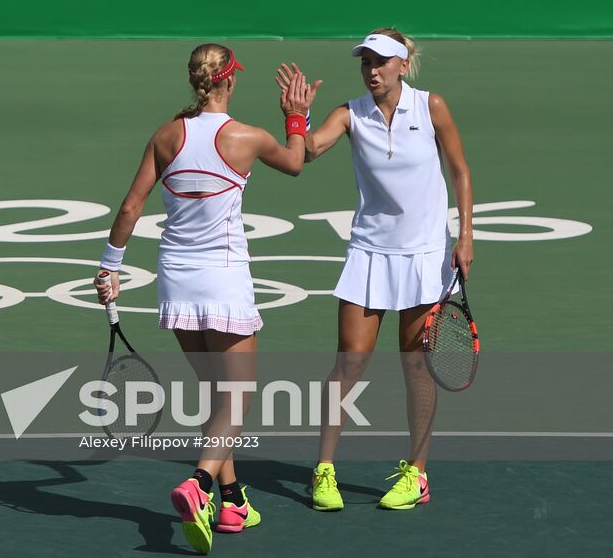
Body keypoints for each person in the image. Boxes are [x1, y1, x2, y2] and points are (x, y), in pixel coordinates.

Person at [96, 43, 315, 555]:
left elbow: (131, 208)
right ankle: (197, 484)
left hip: (175, 281)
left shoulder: (167, 134)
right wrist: (297, 117)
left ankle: (233, 499)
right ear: (230, 81)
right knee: (237, 399)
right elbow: (297, 163)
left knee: (219, 396)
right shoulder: (248, 137)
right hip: (223, 279)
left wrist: (110, 267)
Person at [277, 28, 474, 512]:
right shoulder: (349, 113)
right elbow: (304, 156)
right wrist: (296, 118)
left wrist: (465, 235)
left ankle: (417, 474)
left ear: (403, 64)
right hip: (369, 253)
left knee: (416, 368)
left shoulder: (432, 107)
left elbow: (460, 171)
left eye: (382, 61)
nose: (372, 70)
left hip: (424, 254)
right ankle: (324, 471)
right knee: (349, 362)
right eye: (366, 61)